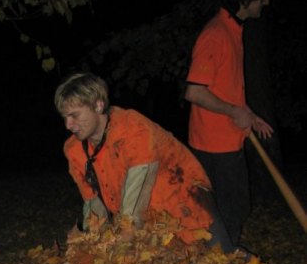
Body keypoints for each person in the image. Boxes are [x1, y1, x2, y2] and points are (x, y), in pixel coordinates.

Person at [54, 72, 231, 249]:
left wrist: (123, 238)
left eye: (74, 115)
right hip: (151, 223)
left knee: (224, 257)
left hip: (186, 203)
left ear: (98, 105)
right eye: (64, 117)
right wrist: (93, 240)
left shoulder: (133, 128)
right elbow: (93, 203)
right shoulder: (74, 150)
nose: (68, 125)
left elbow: (136, 196)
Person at [185, 0, 273, 249]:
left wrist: (248, 114)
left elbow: (224, 89)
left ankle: (220, 261)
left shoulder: (232, 30)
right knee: (227, 213)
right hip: (214, 146)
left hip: (227, 141)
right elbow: (195, 92)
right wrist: (234, 111)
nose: (266, 2)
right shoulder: (216, 34)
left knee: (232, 211)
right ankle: (222, 263)